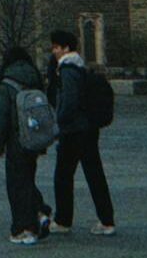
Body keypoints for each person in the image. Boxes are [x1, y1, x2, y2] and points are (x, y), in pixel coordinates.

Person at [49, 29, 116, 237]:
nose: (53, 51)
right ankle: (107, 220)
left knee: (63, 176)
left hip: (74, 130)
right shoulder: (81, 67)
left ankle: (63, 220)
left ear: (66, 48)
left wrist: (59, 121)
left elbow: (69, 101)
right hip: (87, 128)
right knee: (94, 174)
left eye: (56, 47)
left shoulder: (67, 69)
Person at [0, 46, 54, 246]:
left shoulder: (6, 84)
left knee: (17, 185)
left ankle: (24, 229)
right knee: (27, 179)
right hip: (34, 138)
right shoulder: (35, 78)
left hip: (16, 140)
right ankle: (40, 212)